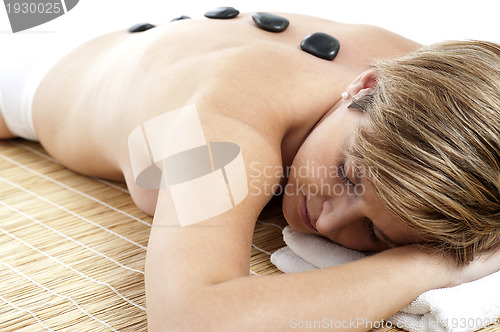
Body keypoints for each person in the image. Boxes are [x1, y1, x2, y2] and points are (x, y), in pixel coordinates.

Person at [1, 11, 499, 330]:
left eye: (374, 232)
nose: (327, 224)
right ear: (363, 86)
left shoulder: (436, 90)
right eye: (348, 175)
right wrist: (425, 265)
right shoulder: (227, 132)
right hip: (25, 58)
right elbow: (191, 321)